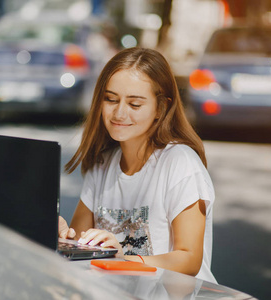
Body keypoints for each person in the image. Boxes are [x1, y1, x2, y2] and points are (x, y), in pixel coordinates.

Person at [58, 47, 216, 283]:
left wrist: (122, 261)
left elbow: (189, 259)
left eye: (134, 104)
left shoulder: (180, 162)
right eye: (111, 99)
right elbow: (83, 249)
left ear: (160, 108)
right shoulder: (101, 164)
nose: (119, 112)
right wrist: (63, 237)